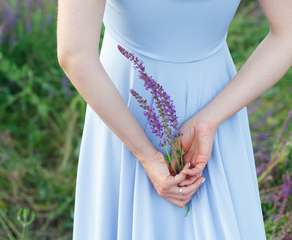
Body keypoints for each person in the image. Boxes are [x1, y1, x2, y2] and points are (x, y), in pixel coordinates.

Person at [57, 0, 292, 239]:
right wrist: (208, 121)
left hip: (131, 102)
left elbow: (74, 53)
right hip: (143, 112)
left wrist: (150, 155)